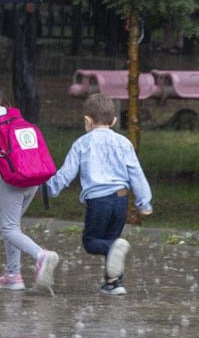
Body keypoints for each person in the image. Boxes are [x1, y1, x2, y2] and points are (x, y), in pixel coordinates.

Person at [43, 93, 153, 295]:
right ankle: (114, 283)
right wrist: (144, 203)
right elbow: (136, 173)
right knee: (113, 240)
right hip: (121, 198)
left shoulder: (82, 143)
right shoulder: (124, 143)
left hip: (99, 201)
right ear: (114, 121)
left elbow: (66, 173)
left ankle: (113, 263)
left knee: (92, 242)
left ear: (87, 120)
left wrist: (49, 189)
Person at [0, 76, 59, 291]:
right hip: (33, 175)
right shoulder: (13, 113)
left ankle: (41, 255)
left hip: (12, 179)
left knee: (8, 229)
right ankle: (13, 274)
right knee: (13, 226)